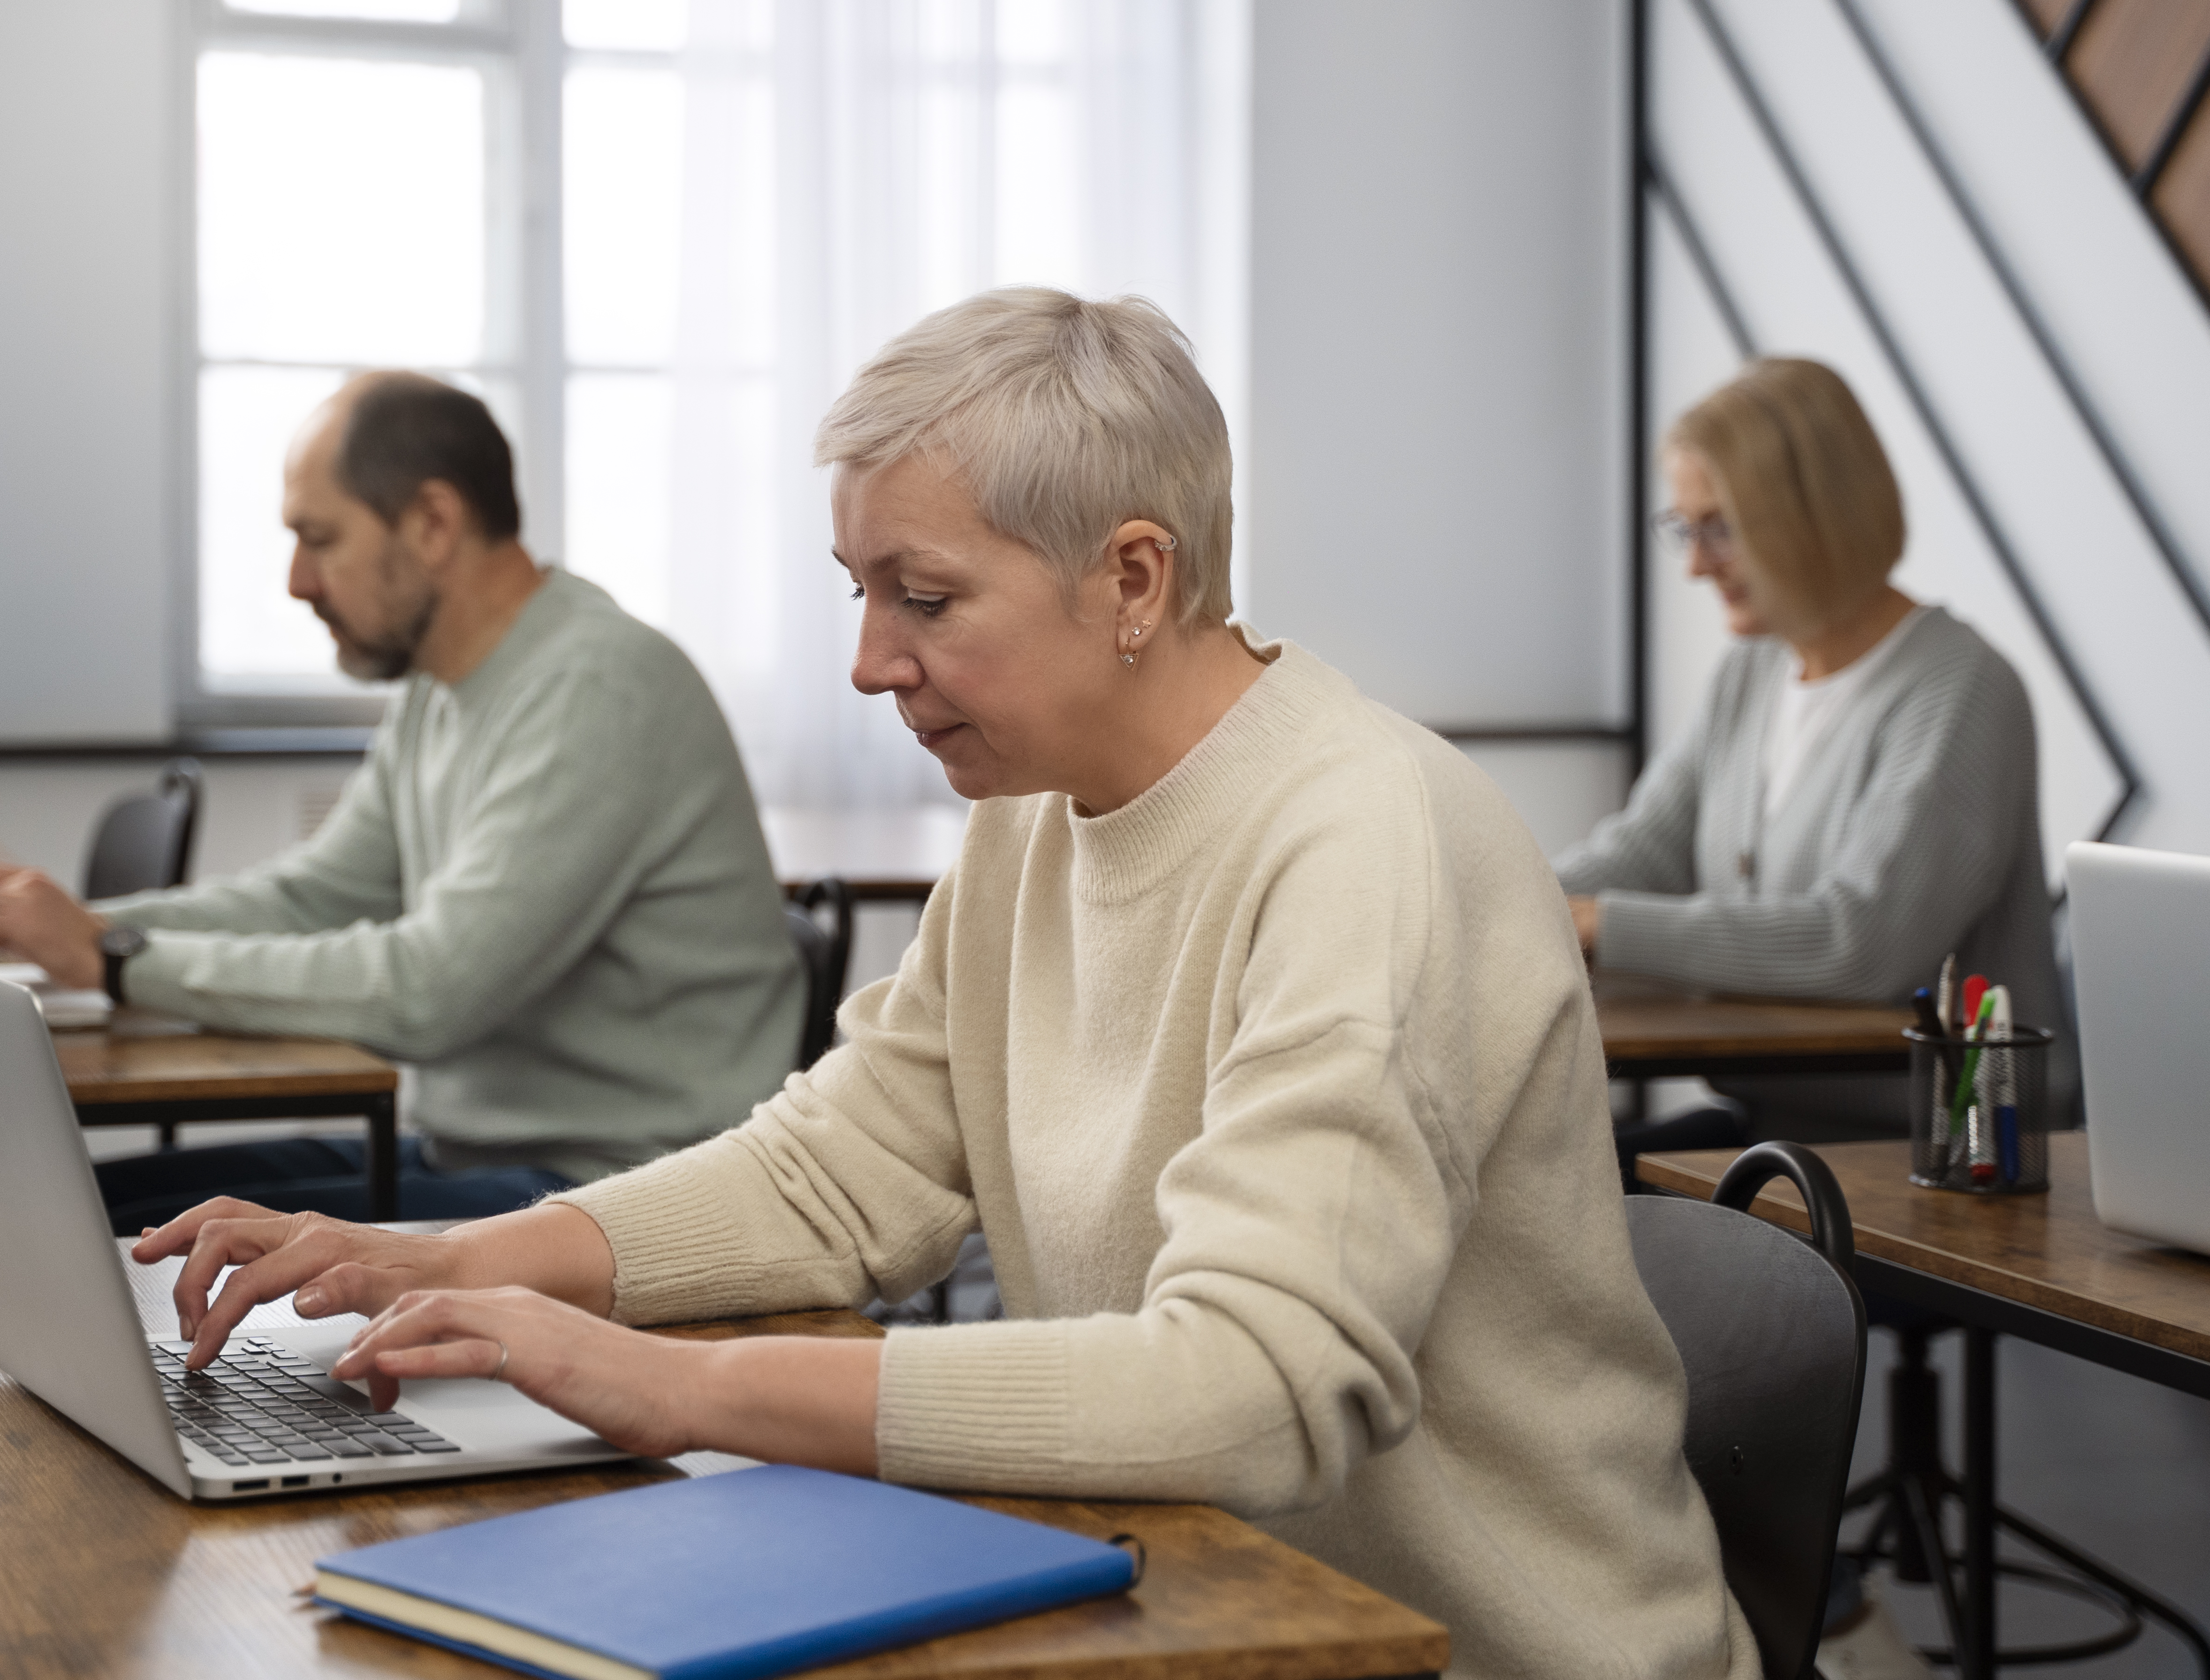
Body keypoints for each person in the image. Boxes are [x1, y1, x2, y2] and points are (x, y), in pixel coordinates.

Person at [136, 292, 1754, 1680]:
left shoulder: (1362, 839)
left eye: (924, 597)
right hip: (1194, 1608)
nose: (868, 661)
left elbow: (1255, 1389)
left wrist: (680, 1384)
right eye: (859, 593)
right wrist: (452, 1258)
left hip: (1457, 1652)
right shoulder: (1034, 816)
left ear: (1133, 581)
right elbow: (838, 1170)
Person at [0, 372, 803, 1228]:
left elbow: (430, 989)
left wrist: (115, 959)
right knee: (30, 1208)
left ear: (433, 523)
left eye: (321, 538)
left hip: (622, 1196)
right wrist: (73, 933)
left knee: (87, 1233)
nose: (298, 580)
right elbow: (311, 899)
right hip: (482, 1161)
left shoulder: (600, 686)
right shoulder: (440, 687)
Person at [1557, 357, 2064, 1148]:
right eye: (1685, 528)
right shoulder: (1752, 670)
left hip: (1936, 1158)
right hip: (1778, 1130)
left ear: (1815, 515)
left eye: (1720, 528)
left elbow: (1860, 943)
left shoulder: (1962, 690)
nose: (1694, 564)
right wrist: (1505, 903)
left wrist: (1601, 926)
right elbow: (1645, 849)